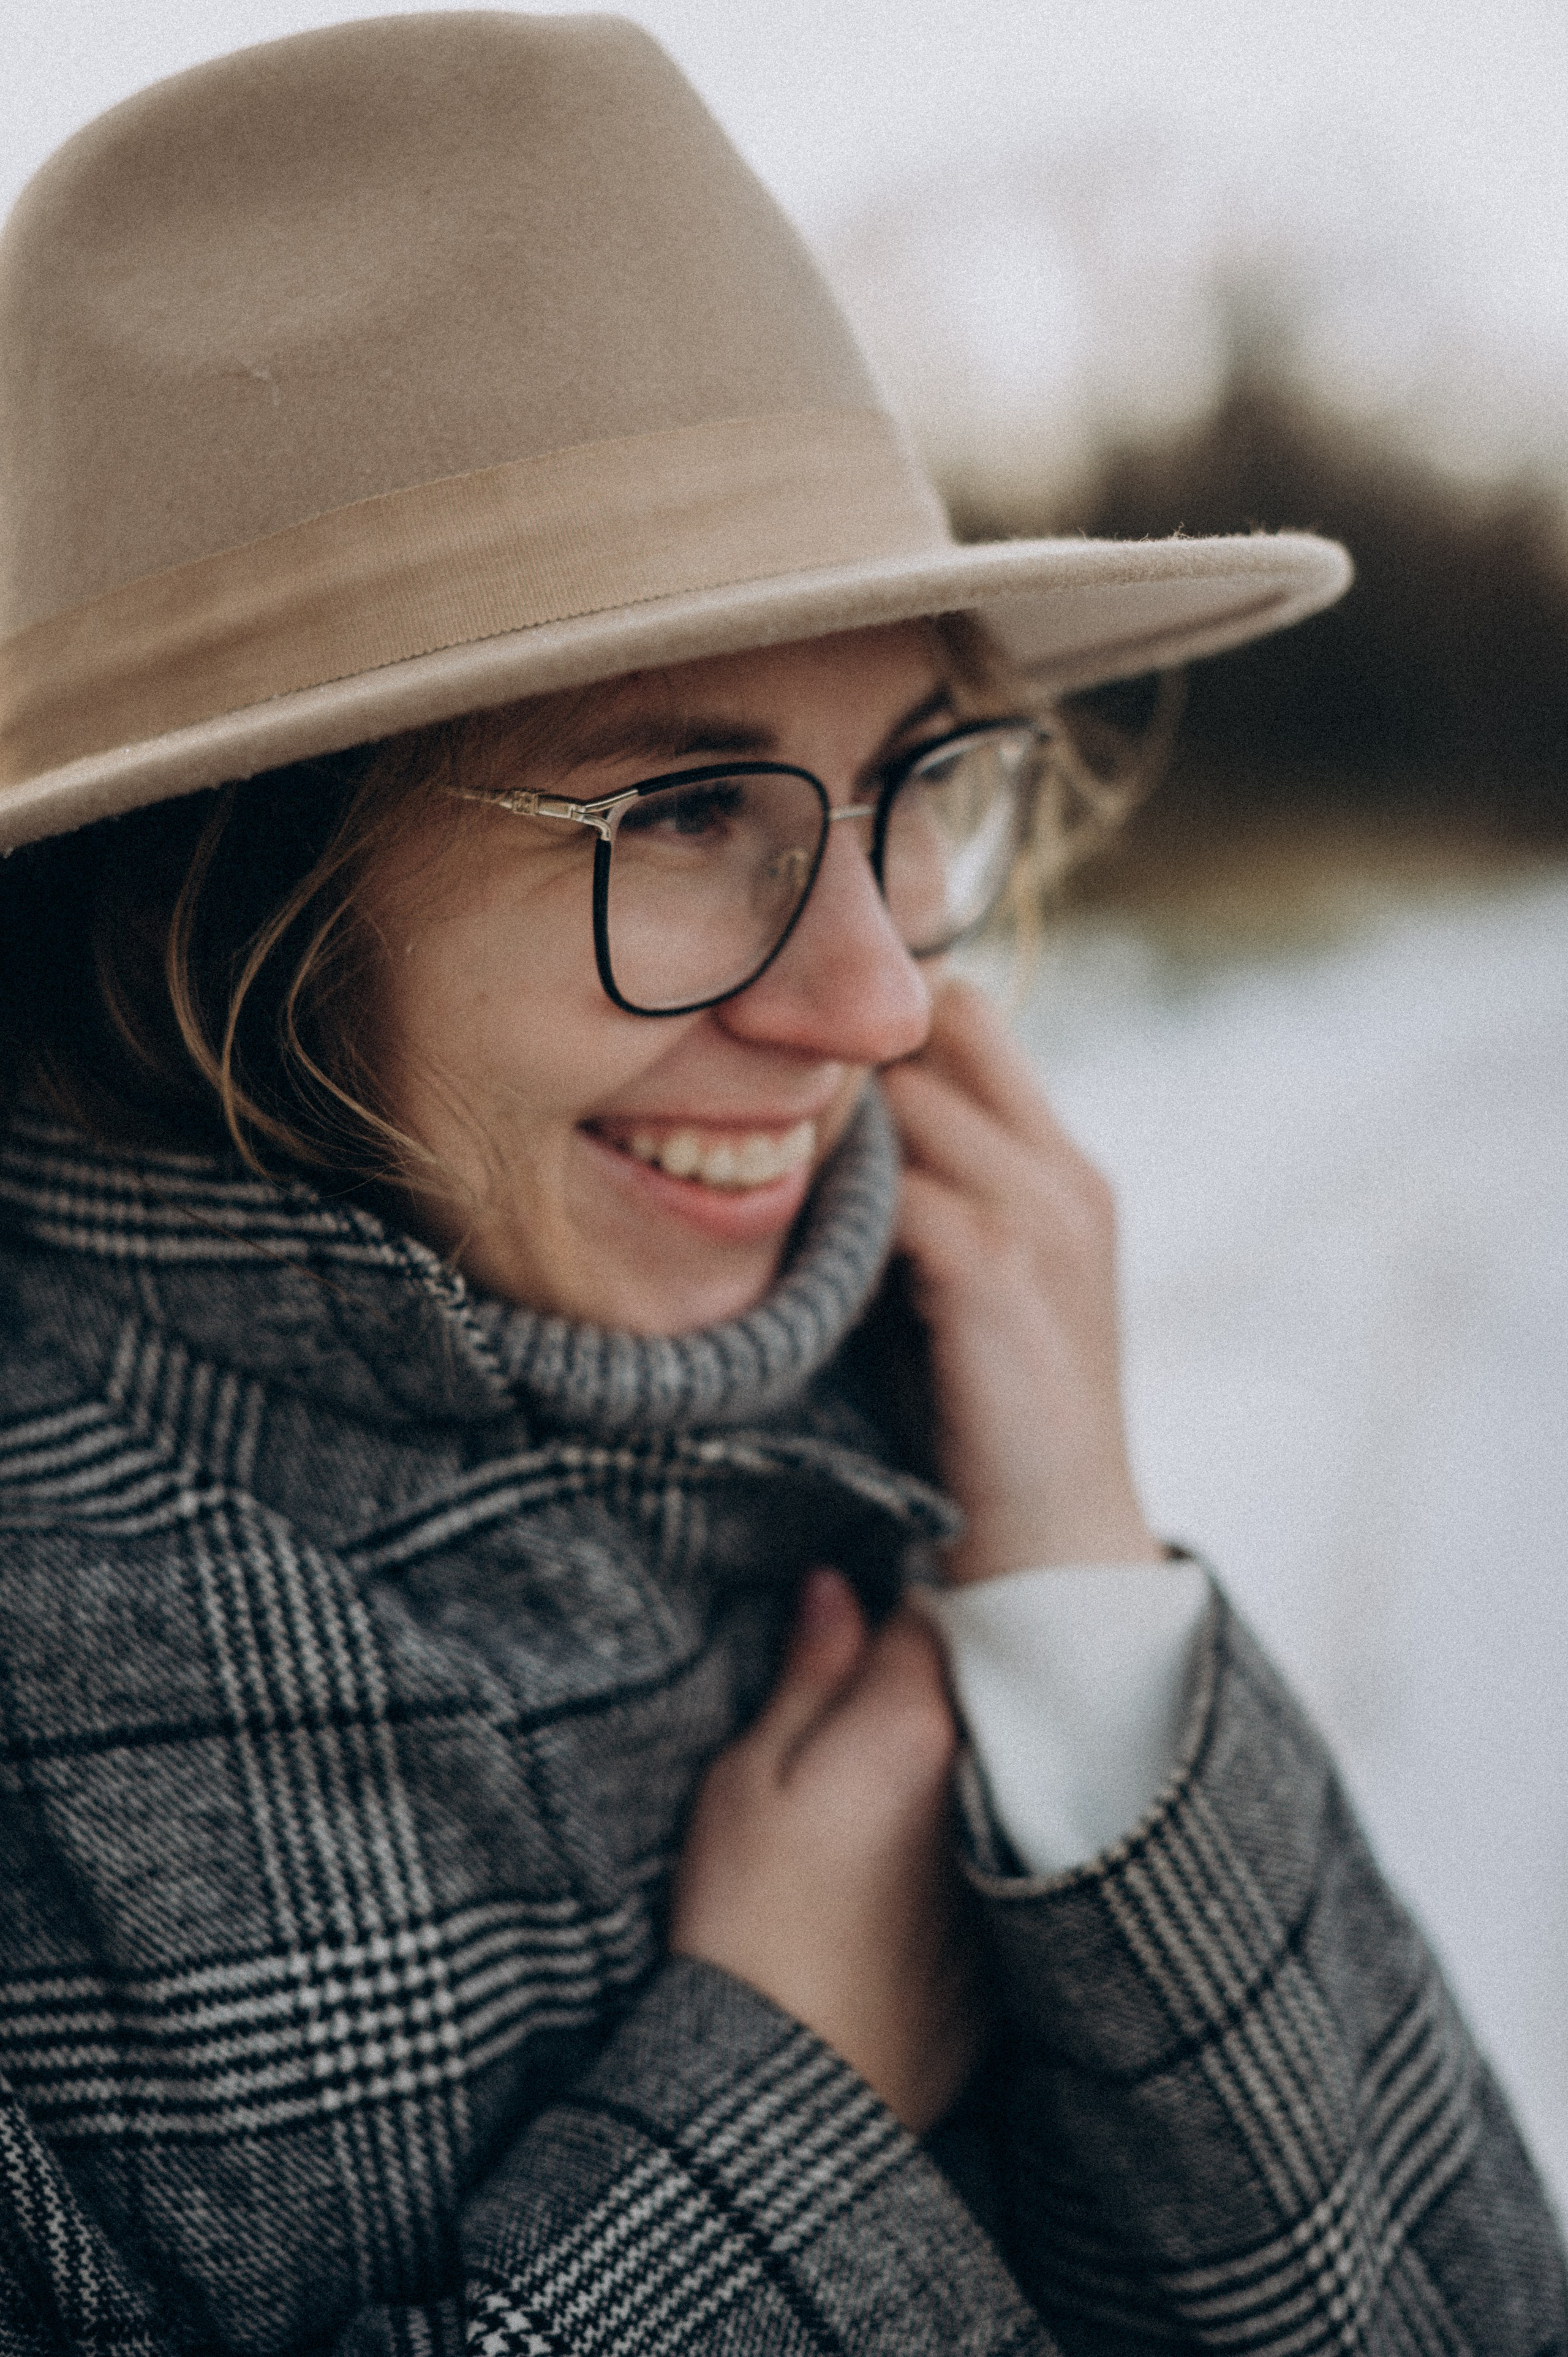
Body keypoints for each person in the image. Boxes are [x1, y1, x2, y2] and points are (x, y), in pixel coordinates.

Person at [0, 16, 1561, 2355]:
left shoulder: (907, 1410)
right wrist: (787, 2106)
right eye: (685, 813)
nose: (879, 1007)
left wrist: (1084, 1624)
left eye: (911, 781)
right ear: (217, 906)